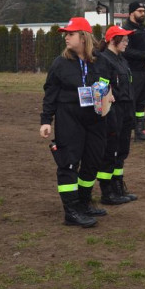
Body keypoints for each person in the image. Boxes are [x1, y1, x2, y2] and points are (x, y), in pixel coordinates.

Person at [39, 17, 111, 228]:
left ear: (84, 37)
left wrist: (108, 96)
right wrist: (46, 120)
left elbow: (106, 85)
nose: (66, 38)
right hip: (69, 118)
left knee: (92, 161)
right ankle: (71, 211)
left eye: (70, 34)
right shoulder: (60, 63)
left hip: (96, 119)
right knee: (68, 163)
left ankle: (84, 203)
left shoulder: (101, 61)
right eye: (66, 34)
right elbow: (50, 93)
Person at [94, 25, 138, 206]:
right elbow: (101, 89)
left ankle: (118, 188)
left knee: (122, 151)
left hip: (126, 111)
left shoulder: (122, 60)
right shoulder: (103, 60)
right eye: (124, 39)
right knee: (109, 152)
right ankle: (107, 192)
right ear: (113, 40)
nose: (127, 43)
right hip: (113, 112)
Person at [122, 1, 145, 142]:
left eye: (143, 11)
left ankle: (140, 131)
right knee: (131, 101)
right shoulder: (126, 30)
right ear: (131, 13)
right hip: (133, 72)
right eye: (139, 11)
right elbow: (126, 51)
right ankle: (124, 130)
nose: (143, 13)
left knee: (142, 102)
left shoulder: (143, 29)